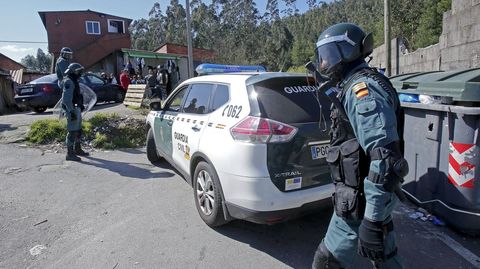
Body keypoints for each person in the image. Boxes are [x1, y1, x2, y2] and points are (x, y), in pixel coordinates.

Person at [311, 23, 408, 269]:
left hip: (361, 199)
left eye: (330, 55)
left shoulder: (360, 90)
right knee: (385, 256)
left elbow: (386, 160)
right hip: (365, 195)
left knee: (326, 262)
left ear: (349, 51)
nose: (324, 64)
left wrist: (372, 220)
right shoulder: (357, 84)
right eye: (322, 57)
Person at [62, 63, 89, 161]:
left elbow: (76, 95)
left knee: (78, 130)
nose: (81, 73)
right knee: (72, 131)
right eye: (79, 71)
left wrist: (80, 105)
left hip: (76, 108)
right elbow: (66, 100)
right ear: (74, 71)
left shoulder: (74, 80)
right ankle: (70, 154)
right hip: (71, 109)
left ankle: (77, 149)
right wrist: (71, 111)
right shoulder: (69, 81)